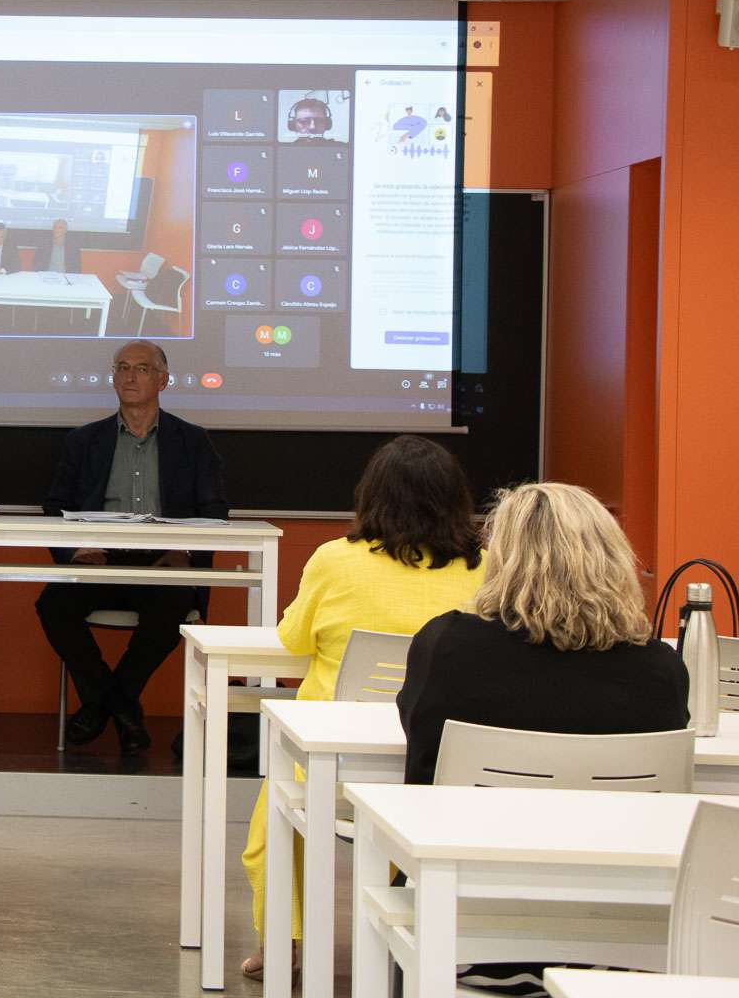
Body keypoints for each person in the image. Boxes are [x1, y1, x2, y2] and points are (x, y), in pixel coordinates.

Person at [238, 435, 486, 980]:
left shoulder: (335, 560)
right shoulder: (485, 568)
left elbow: (294, 640)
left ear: (371, 495)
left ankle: (284, 946)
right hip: (446, 765)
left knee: (271, 830)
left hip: (336, 765)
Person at [398, 481, 689, 787]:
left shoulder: (446, 647)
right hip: (614, 833)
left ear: (504, 559)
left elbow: (420, 739)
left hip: (467, 831)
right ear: (614, 557)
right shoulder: (661, 672)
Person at [37, 340, 228, 753]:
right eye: (121, 367)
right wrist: (75, 552)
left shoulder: (193, 442)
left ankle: (104, 704)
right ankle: (121, 705)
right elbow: (55, 507)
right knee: (52, 605)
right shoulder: (84, 441)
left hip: (163, 563)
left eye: (141, 368)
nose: (129, 376)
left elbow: (214, 511)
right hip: (100, 559)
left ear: (163, 379)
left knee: (173, 607)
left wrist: (187, 555)